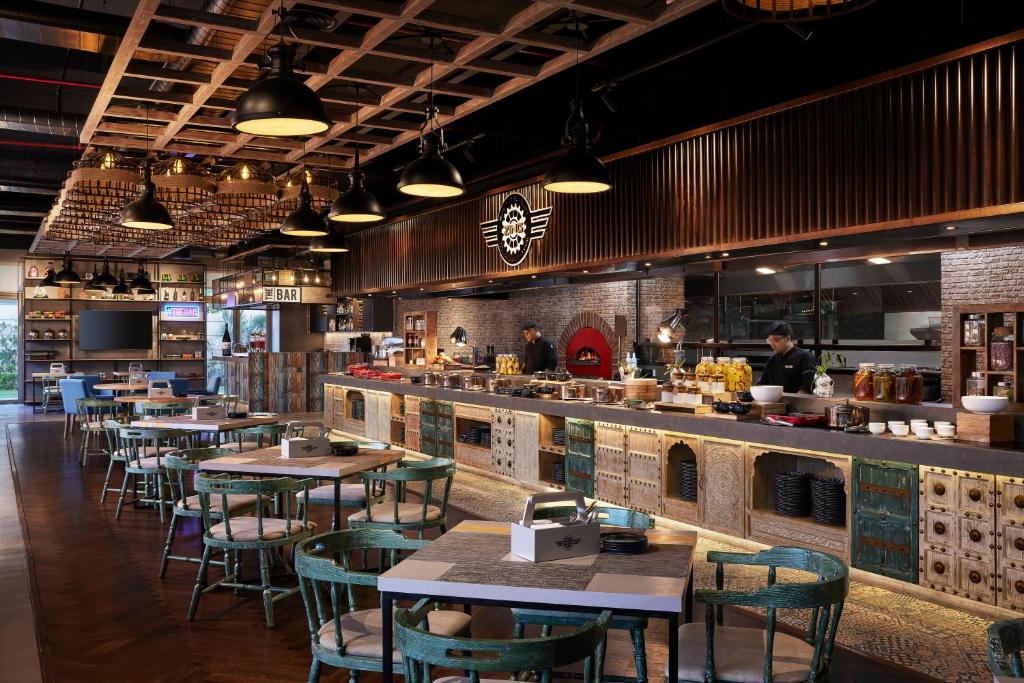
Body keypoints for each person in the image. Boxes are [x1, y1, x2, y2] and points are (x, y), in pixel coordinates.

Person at [757, 321, 815, 393]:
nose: (772, 344)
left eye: (775, 340)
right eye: (770, 340)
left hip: (798, 399)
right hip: (774, 399)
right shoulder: (772, 360)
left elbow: (807, 388)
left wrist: (792, 399)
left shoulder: (805, 357)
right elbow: (763, 385)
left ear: (788, 338)